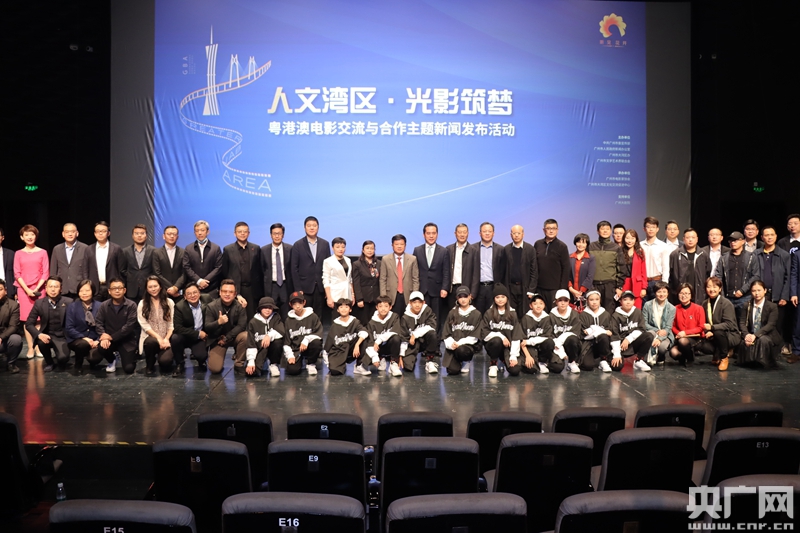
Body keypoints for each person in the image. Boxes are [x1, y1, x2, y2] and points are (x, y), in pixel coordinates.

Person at [755, 226, 792, 356]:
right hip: (760, 295)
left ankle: (775, 352)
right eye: (766, 235)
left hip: (778, 296)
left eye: (772, 235)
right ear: (762, 238)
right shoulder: (756, 254)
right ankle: (760, 350)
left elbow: (788, 277)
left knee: (777, 325)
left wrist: (784, 296)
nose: (769, 237)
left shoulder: (784, 255)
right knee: (761, 323)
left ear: (776, 237)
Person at [14, 224, 49, 358]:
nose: (29, 237)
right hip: (23, 290)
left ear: (36, 236)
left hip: (39, 289)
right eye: (27, 234)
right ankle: (30, 347)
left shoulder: (43, 252)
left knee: (39, 320)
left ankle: (38, 347)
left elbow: (45, 273)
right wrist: (27, 290)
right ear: (22, 237)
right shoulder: (18, 253)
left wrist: (36, 288)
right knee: (27, 320)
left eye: (32, 234)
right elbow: (17, 273)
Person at [26, 276, 73, 372]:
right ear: (46, 288)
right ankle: (49, 362)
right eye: (50, 286)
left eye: (56, 286)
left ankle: (60, 357)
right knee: (41, 342)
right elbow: (29, 323)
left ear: (61, 289)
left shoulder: (69, 302)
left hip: (62, 336)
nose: (53, 289)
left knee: (63, 358)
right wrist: (39, 334)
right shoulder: (39, 303)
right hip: (47, 335)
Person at [290, 216, 331, 322]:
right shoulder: (298, 245)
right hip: (304, 288)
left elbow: (328, 266)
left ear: (318, 227)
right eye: (309, 226)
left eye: (314, 225)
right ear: (304, 228)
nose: (312, 228)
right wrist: (298, 288)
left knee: (319, 316)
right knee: (305, 316)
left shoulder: (325, 244)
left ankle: (318, 332)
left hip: (320, 287)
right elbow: (294, 268)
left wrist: (327, 288)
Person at [713, 231, 760, 321]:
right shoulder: (724, 258)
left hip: (745, 297)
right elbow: (718, 276)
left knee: (744, 323)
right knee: (728, 323)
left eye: (735, 240)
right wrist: (722, 294)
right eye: (731, 241)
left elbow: (755, 276)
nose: (732, 243)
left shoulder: (751, 257)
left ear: (743, 241)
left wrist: (742, 290)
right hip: (727, 297)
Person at [696, 276, 740, 371]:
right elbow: (703, 323)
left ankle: (724, 357)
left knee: (718, 332)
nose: (712, 289)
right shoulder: (704, 303)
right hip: (712, 334)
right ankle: (717, 353)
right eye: (709, 287)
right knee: (699, 344)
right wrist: (708, 331)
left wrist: (712, 328)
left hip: (729, 334)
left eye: (715, 287)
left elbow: (729, 324)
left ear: (720, 289)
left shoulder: (726, 303)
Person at [95, 278, 138, 374]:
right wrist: (103, 335)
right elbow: (98, 322)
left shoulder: (131, 305)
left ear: (124, 290)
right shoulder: (104, 305)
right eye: (114, 288)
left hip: (127, 341)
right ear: (109, 291)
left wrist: (111, 337)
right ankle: (112, 359)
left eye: (119, 288)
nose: (117, 291)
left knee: (129, 369)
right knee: (102, 348)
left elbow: (129, 326)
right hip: (109, 341)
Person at [204, 278, 248, 375]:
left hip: (233, 337)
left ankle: (239, 364)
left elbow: (242, 326)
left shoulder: (240, 306)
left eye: (230, 292)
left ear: (235, 294)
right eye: (224, 291)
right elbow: (207, 327)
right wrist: (218, 322)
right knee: (215, 369)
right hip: (218, 339)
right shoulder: (211, 306)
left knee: (245, 336)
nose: (227, 294)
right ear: (220, 292)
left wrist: (226, 338)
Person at [480, 283, 524, 377]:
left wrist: (513, 356)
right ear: (494, 299)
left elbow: (516, 336)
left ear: (507, 298)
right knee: (497, 340)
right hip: (493, 346)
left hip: (508, 348)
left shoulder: (513, 314)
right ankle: (493, 364)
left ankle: (503, 359)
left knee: (515, 370)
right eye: (497, 297)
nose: (500, 300)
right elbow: (484, 333)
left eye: (503, 297)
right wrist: (501, 336)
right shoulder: (489, 313)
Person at [221, 221, 263, 320]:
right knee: (237, 318)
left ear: (249, 233)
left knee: (252, 317)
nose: (242, 233)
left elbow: (260, 270)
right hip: (236, 290)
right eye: (239, 231)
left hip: (253, 290)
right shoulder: (228, 249)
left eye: (245, 231)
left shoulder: (256, 248)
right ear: (234, 233)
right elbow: (225, 272)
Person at [413, 223, 450, 325]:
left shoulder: (443, 251)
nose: (431, 236)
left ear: (437, 234)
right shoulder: (417, 250)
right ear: (424, 235)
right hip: (422, 289)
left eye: (433, 233)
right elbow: (414, 271)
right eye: (428, 233)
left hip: (437, 290)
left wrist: (445, 288)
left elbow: (446, 271)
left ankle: (436, 335)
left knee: (436, 317)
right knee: (422, 317)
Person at [170, 282, 211, 375]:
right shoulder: (179, 306)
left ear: (199, 293)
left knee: (201, 356)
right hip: (186, 336)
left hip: (200, 338)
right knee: (175, 338)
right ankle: (180, 363)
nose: (192, 296)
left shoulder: (207, 299)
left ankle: (201, 361)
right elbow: (178, 328)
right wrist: (198, 334)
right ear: (185, 296)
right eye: (189, 294)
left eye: (195, 292)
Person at [137, 275, 175, 376]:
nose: (153, 289)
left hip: (166, 338)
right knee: (150, 342)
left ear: (160, 286)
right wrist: (158, 338)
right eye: (150, 287)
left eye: (155, 286)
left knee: (165, 363)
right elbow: (144, 325)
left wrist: (166, 339)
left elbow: (171, 324)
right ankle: (150, 364)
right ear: (146, 289)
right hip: (151, 338)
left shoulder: (169, 302)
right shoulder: (142, 304)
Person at [738, 280, 780, 368]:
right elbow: (742, 322)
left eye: (759, 290)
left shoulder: (772, 306)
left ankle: (762, 362)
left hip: (767, 335)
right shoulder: (747, 305)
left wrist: (755, 335)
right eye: (754, 291)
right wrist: (747, 335)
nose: (756, 293)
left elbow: (770, 325)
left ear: (765, 290)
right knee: (742, 341)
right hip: (751, 333)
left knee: (762, 340)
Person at [610, 290, 654, 372]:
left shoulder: (638, 312)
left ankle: (638, 360)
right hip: (620, 346)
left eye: (631, 300)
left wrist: (628, 339)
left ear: (634, 301)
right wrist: (616, 354)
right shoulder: (615, 316)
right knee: (616, 367)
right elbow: (614, 335)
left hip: (633, 343)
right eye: (625, 299)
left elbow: (641, 328)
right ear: (620, 301)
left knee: (649, 335)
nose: (628, 302)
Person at [441, 285, 482, 375]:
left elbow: (475, 336)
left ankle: (466, 361)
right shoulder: (452, 313)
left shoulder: (476, 314)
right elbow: (446, 332)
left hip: (467, 347)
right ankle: (457, 361)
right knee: (452, 371)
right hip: (453, 346)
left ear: (470, 297)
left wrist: (459, 343)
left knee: (462, 351)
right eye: (460, 297)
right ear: (457, 298)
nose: (463, 299)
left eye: (465, 296)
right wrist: (451, 344)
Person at [282, 290, 324, 376]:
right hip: (296, 349)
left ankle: (311, 363)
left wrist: (306, 339)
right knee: (292, 370)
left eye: (300, 303)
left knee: (316, 343)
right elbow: (286, 341)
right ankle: (300, 360)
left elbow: (318, 334)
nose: (297, 306)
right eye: (294, 304)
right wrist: (290, 356)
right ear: (290, 305)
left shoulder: (312, 316)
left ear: (304, 302)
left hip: (309, 346)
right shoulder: (288, 320)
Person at [83, 221, 127, 302]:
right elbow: (85, 269)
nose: (100, 233)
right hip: (95, 287)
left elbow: (121, 270)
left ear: (108, 233)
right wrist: (87, 285)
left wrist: (119, 286)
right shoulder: (88, 249)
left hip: (112, 287)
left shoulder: (116, 248)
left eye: (103, 231)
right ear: (95, 234)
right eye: (98, 231)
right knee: (96, 309)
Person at [65, 279, 102, 372]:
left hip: (95, 339)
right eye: (81, 291)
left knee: (94, 359)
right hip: (77, 340)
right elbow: (69, 327)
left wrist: (98, 340)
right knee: (82, 344)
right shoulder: (72, 306)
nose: (84, 293)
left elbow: (104, 326)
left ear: (93, 291)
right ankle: (78, 364)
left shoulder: (100, 306)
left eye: (87, 290)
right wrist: (84, 338)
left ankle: (92, 361)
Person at [323, 298, 367, 376]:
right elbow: (328, 345)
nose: (343, 309)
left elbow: (364, 332)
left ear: (350, 309)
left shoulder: (355, 322)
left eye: (346, 307)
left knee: (363, 339)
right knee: (335, 371)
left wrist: (357, 345)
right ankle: (341, 365)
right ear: (338, 310)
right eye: (341, 307)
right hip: (340, 351)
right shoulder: (335, 325)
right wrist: (328, 362)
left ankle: (359, 365)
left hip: (352, 350)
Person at [364, 295, 405, 377]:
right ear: (376, 307)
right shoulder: (371, 323)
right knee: (366, 357)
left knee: (396, 338)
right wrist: (375, 356)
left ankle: (393, 363)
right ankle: (380, 358)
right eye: (380, 306)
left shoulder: (394, 317)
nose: (383, 309)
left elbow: (396, 332)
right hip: (378, 349)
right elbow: (370, 341)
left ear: (390, 307)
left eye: (386, 306)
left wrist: (379, 339)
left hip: (390, 346)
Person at [533, 219, 570, 311]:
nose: (551, 231)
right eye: (548, 228)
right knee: (540, 314)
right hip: (539, 288)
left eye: (554, 228)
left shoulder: (562, 246)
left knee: (554, 313)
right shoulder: (538, 244)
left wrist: (562, 290)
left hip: (555, 289)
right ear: (544, 230)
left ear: (557, 230)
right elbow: (534, 266)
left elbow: (566, 268)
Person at [470, 222, 507, 314]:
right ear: (480, 233)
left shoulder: (500, 249)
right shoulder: (472, 248)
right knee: (477, 314)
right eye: (484, 231)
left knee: (492, 314)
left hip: (493, 287)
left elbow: (503, 271)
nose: (487, 233)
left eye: (489, 231)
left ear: (493, 233)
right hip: (478, 288)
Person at [245, 296, 285, 378]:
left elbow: (281, 331)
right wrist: (251, 361)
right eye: (265, 307)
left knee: (277, 342)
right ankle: (263, 363)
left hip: (272, 349)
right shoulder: (253, 322)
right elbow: (251, 343)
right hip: (260, 350)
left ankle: (273, 364)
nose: (267, 310)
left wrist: (269, 335)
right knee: (251, 373)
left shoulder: (276, 317)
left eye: (270, 308)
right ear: (260, 309)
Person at [503, 225, 538, 320]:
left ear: (523, 234)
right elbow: (503, 270)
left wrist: (531, 289)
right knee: (511, 314)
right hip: (510, 287)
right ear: (511, 235)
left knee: (524, 314)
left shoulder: (530, 249)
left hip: (525, 288)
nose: (516, 235)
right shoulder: (506, 249)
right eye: (514, 233)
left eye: (519, 233)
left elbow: (534, 270)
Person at [380, 234, 419, 316]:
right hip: (391, 295)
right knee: (393, 319)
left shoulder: (412, 259)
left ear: (405, 245)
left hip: (408, 294)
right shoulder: (385, 259)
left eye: (401, 244)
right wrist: (383, 298)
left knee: (407, 319)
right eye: (396, 244)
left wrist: (414, 296)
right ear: (392, 245)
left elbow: (415, 278)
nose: (399, 246)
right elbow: (383, 279)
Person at [400, 291, 439, 374]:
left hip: (425, 341)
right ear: (410, 303)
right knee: (407, 367)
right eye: (414, 302)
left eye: (419, 302)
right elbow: (403, 337)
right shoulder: (405, 317)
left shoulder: (427, 311)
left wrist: (415, 334)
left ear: (423, 303)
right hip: (412, 344)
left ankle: (430, 361)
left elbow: (432, 326)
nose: (417, 305)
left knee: (432, 334)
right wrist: (401, 354)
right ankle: (411, 359)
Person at [668, 228, 710, 306]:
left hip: (698, 292)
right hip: (680, 292)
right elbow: (670, 274)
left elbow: (708, 272)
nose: (690, 240)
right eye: (688, 237)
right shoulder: (675, 254)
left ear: (697, 239)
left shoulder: (703, 254)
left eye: (693, 237)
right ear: (683, 239)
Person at [182, 220, 224, 297]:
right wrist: (199, 281)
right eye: (197, 231)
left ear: (208, 232)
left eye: (202, 230)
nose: (200, 233)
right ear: (194, 233)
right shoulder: (188, 248)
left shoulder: (215, 248)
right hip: (194, 287)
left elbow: (218, 267)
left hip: (211, 288)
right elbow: (186, 267)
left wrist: (205, 281)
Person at [260, 222, 292, 317]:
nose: (277, 236)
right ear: (271, 235)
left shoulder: (290, 249)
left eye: (279, 233)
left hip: (285, 285)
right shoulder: (264, 250)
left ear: (283, 235)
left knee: (286, 311)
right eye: (274, 234)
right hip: (271, 285)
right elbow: (262, 269)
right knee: (270, 311)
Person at [670, 283, 705, 367]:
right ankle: (685, 356)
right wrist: (679, 333)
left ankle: (690, 359)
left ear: (691, 295)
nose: (683, 296)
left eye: (686, 293)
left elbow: (701, 327)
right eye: (681, 293)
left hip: (695, 338)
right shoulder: (674, 308)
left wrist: (685, 333)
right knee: (674, 353)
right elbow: (672, 326)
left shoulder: (699, 308)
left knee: (683, 341)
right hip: (680, 337)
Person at [50, 223, 88, 299]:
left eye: (72, 232)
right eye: (67, 232)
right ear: (63, 234)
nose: (70, 234)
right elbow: (53, 270)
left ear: (77, 233)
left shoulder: (85, 248)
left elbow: (86, 270)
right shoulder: (57, 249)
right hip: (62, 288)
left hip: (79, 289)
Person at [578, 290, 614, 372]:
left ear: (600, 300)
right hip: (588, 345)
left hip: (603, 345)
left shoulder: (606, 314)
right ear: (587, 301)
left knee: (603, 337)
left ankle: (603, 359)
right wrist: (602, 331)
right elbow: (584, 335)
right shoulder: (583, 315)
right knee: (587, 366)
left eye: (597, 299)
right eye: (591, 300)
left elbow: (610, 332)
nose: (594, 302)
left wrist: (592, 330)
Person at [548, 289, 582, 373]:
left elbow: (575, 334)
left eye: (565, 300)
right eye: (560, 300)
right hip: (557, 346)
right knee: (557, 368)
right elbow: (550, 335)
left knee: (573, 339)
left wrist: (561, 339)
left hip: (569, 345)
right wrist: (561, 351)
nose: (563, 303)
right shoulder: (550, 316)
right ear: (556, 302)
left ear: (569, 302)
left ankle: (572, 361)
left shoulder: (574, 314)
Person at [642, 281, 676, 365]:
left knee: (662, 347)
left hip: (665, 334)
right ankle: (648, 357)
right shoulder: (647, 305)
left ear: (668, 293)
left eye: (664, 292)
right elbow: (645, 323)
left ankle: (661, 355)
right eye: (659, 292)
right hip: (652, 331)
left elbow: (668, 327)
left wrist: (659, 338)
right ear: (655, 293)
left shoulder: (672, 308)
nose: (662, 294)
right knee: (650, 335)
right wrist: (657, 331)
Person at [588, 221, 620, 310]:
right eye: (602, 229)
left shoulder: (616, 248)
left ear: (610, 231)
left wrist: (619, 286)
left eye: (607, 229)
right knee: (593, 309)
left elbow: (621, 268)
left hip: (610, 284)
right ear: (597, 231)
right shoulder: (591, 246)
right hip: (594, 284)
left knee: (609, 311)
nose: (605, 231)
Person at [639, 217, 670, 303]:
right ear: (644, 229)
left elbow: (665, 267)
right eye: (648, 227)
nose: (651, 229)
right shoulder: (640, 245)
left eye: (653, 227)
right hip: (643, 282)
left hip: (657, 281)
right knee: (643, 307)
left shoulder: (663, 246)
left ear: (657, 229)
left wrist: (664, 285)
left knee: (657, 307)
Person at [122, 224, 156, 303]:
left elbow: (155, 270)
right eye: (136, 233)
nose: (139, 235)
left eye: (142, 233)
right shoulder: (125, 251)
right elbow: (122, 270)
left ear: (146, 236)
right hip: (131, 290)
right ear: (132, 236)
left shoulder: (154, 251)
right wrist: (131, 276)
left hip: (148, 289)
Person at [152, 225, 185, 301]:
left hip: (179, 292)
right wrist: (171, 288)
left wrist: (176, 287)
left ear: (177, 237)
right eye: (169, 234)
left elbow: (184, 273)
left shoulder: (183, 252)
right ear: (164, 236)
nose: (172, 236)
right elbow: (157, 273)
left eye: (174, 234)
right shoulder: (156, 253)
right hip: (163, 291)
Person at [352, 240, 381, 326]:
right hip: (363, 298)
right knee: (364, 323)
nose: (370, 250)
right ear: (363, 250)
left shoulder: (379, 263)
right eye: (367, 248)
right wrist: (359, 299)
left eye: (372, 248)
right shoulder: (357, 264)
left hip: (376, 298)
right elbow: (356, 282)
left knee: (375, 322)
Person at [617, 229, 647, 309]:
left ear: (636, 240)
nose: (630, 241)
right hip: (624, 283)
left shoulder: (640, 252)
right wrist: (618, 287)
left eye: (632, 238)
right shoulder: (620, 252)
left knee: (636, 309)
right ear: (624, 239)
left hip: (637, 284)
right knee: (624, 308)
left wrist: (644, 288)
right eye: (627, 238)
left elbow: (643, 271)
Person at [445, 224, 473, 312]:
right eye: (460, 232)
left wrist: (473, 292)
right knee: (452, 314)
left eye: (464, 232)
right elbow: (445, 271)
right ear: (455, 233)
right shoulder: (448, 249)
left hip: (467, 289)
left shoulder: (473, 250)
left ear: (468, 233)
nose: (462, 234)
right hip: (452, 289)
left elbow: (476, 273)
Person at [323, 237, 354, 308]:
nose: (341, 249)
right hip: (335, 295)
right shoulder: (328, 261)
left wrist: (352, 294)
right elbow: (326, 280)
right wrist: (329, 298)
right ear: (332, 248)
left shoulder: (348, 260)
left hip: (347, 294)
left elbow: (349, 279)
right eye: (337, 247)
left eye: (343, 247)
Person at [568, 233, 595, 312]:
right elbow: (567, 275)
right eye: (578, 242)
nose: (581, 245)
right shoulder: (569, 257)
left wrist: (581, 292)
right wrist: (571, 289)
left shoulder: (591, 258)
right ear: (575, 243)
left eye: (583, 242)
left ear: (587, 244)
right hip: (571, 292)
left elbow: (590, 276)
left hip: (585, 292)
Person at [0, 279, 22, 373]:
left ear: (5, 291)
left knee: (16, 339)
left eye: (0, 289)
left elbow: (13, 326)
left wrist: (1, 337)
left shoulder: (13, 305)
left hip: (4, 339)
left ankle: (11, 363)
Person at [0, 228, 15, 300]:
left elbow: (15, 274)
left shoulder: (10, 254)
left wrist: (15, 291)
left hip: (8, 292)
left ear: (2, 237)